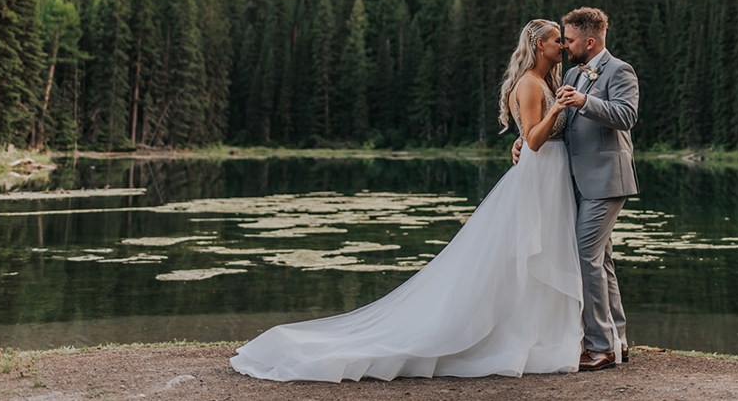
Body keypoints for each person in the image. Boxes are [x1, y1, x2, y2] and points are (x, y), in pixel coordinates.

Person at [230, 19, 583, 382]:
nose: (562, 47)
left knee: (543, 257)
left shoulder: (545, 82)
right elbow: (536, 140)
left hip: (548, 179)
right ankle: (514, 340)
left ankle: (543, 338)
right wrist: (555, 111)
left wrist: (538, 125)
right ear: (540, 45)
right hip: (538, 179)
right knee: (523, 260)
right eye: (557, 41)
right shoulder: (528, 83)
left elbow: (530, 138)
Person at [513, 6, 640, 371]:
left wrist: (586, 101)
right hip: (575, 180)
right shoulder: (570, 72)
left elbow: (626, 116)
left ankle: (599, 348)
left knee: (585, 255)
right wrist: (524, 141)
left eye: (569, 40)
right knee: (603, 261)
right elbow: (557, 124)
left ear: (589, 40)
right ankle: (617, 340)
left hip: (606, 178)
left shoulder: (620, 71)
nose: (565, 47)